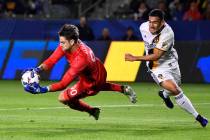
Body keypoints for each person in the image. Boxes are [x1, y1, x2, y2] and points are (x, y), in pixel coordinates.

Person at [23, 24, 137, 120]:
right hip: (97, 69)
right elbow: (52, 60)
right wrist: (38, 69)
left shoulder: (81, 59)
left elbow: (63, 84)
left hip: (92, 81)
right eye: (60, 42)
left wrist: (41, 90)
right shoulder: (70, 43)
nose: (60, 45)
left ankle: (92, 111)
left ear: (72, 41)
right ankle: (123, 89)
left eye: (62, 42)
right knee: (96, 86)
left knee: (64, 98)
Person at [125, 9, 208, 127]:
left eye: (155, 22)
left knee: (176, 86)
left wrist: (135, 58)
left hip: (170, 62)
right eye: (150, 21)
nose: (151, 25)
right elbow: (154, 58)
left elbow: (157, 55)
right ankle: (198, 117)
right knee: (176, 90)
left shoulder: (167, 34)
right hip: (156, 66)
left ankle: (164, 94)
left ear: (162, 22)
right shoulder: (143, 27)